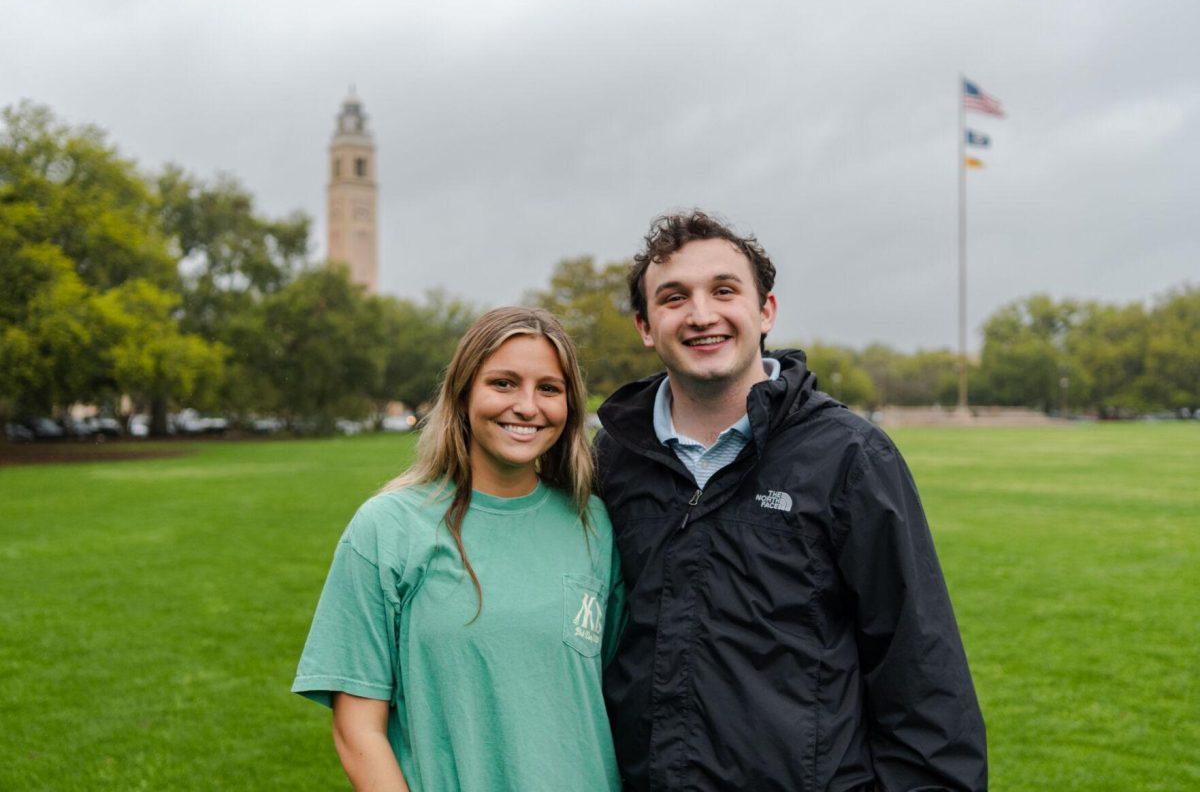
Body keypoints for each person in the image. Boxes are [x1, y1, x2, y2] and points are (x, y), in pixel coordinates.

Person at [595, 211, 987, 791]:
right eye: (674, 298)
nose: (702, 315)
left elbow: (920, 673)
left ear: (765, 311)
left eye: (724, 291)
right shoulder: (611, 459)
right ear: (646, 326)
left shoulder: (850, 456)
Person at [293, 307, 625, 792]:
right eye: (504, 383)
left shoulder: (594, 523)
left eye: (549, 389)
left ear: (570, 407)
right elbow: (357, 731)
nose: (528, 406)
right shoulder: (387, 529)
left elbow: (616, 692)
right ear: (463, 393)